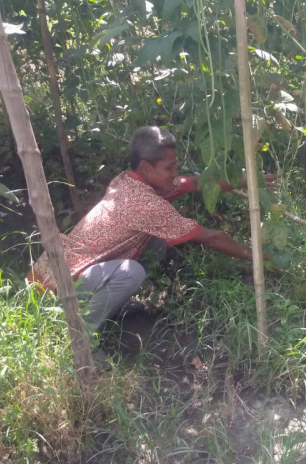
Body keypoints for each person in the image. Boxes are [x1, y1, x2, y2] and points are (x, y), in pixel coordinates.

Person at [27, 126, 275, 334]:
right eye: (170, 168)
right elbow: (210, 237)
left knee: (155, 242)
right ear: (146, 168)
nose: (175, 174)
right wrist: (262, 258)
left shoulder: (128, 180)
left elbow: (196, 182)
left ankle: (107, 308)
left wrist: (247, 181)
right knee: (131, 271)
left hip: (59, 274)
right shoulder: (144, 203)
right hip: (51, 291)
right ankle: (80, 334)